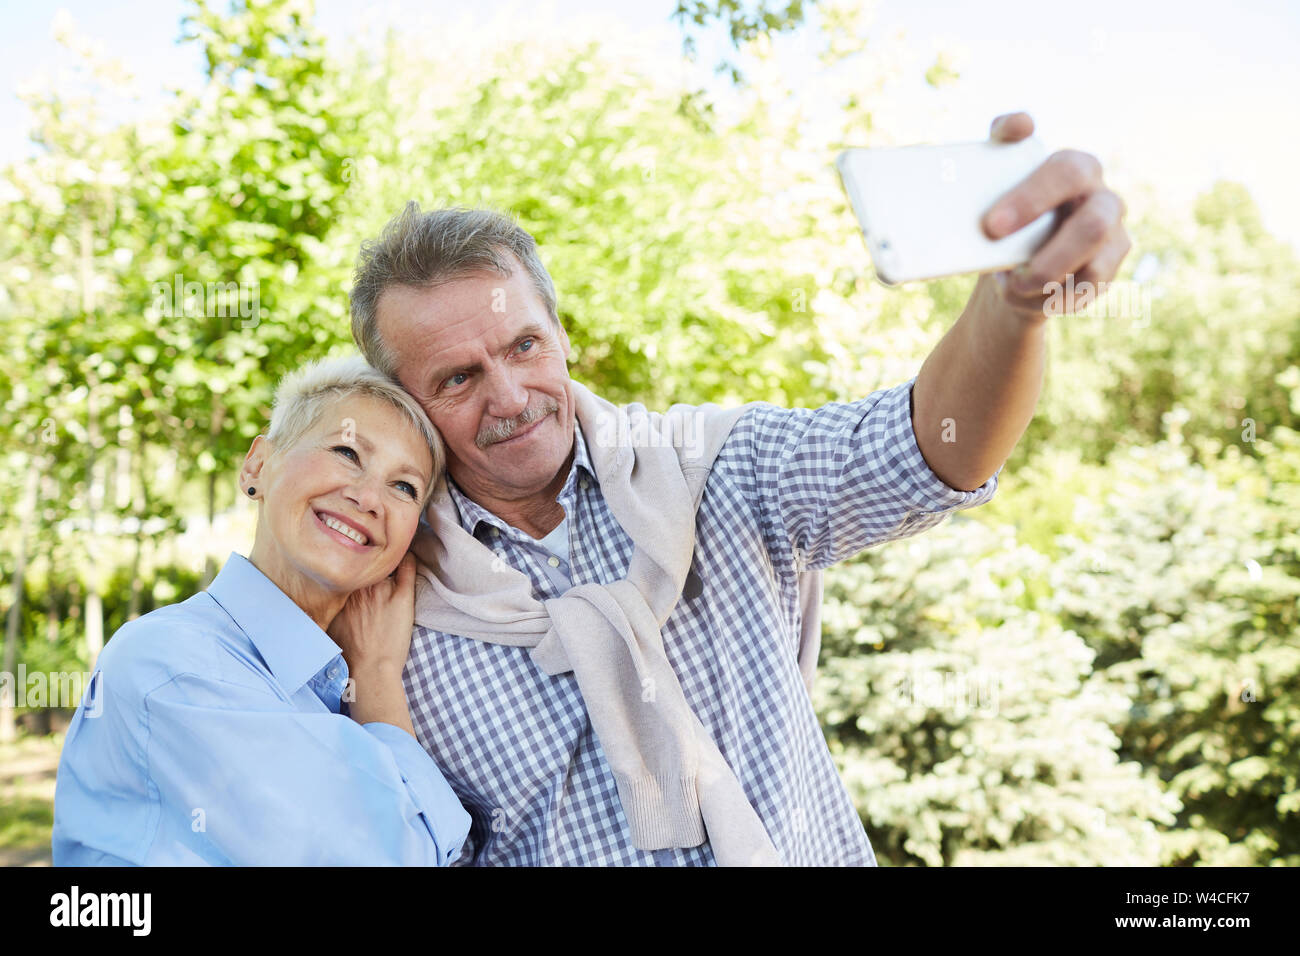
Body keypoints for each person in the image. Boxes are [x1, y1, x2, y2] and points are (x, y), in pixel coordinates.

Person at [347, 111, 1131, 865]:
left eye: (524, 345)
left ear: (561, 334)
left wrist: (1015, 304)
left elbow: (924, 450)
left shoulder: (715, 469)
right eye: (459, 378)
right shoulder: (385, 600)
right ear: (405, 405)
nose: (512, 397)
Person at [52, 355, 471, 865]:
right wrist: (378, 676)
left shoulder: (328, 685)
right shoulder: (176, 665)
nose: (367, 498)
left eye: (404, 487)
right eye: (346, 452)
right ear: (258, 466)